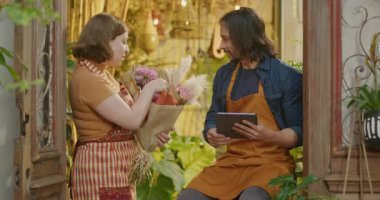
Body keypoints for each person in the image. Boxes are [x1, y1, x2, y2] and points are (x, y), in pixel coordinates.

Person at [178, 7, 303, 200]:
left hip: (271, 164)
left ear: (243, 37)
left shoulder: (286, 77)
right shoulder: (224, 75)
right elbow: (213, 116)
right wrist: (211, 132)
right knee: (188, 197)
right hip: (232, 162)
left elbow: (298, 132)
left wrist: (270, 135)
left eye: (226, 38)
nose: (221, 45)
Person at [69, 13, 170, 200]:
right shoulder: (87, 78)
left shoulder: (103, 75)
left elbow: (128, 122)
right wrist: (149, 89)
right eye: (123, 42)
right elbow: (131, 120)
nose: (127, 49)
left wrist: (153, 134)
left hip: (116, 171)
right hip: (100, 170)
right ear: (105, 41)